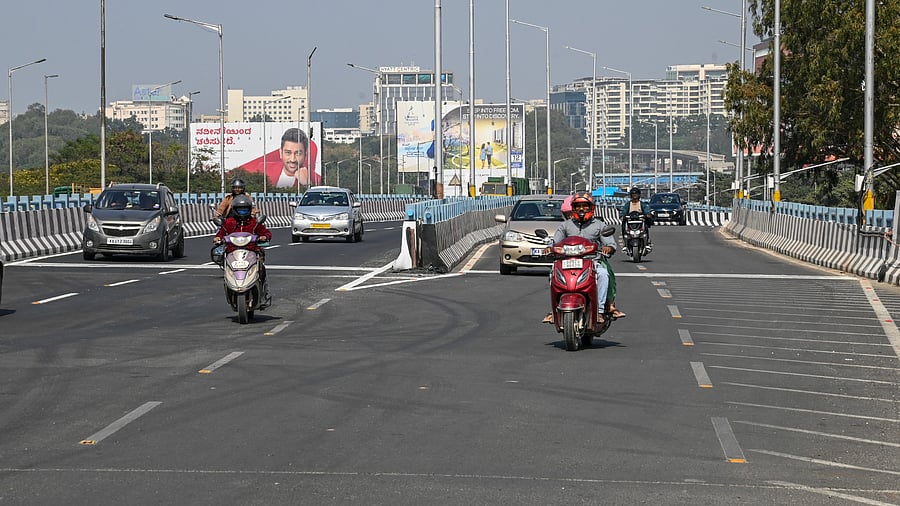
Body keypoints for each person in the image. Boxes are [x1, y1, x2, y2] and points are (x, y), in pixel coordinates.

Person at [543, 191, 625, 324]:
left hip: (592, 261)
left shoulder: (599, 225)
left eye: (585, 206)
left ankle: (600, 310)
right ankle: (555, 310)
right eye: (578, 206)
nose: (581, 209)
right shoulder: (565, 226)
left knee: (603, 274)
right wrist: (549, 248)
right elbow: (555, 242)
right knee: (553, 274)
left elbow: (610, 243)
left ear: (591, 207)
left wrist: (608, 248)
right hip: (567, 262)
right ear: (573, 208)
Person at [214, 194, 273, 307]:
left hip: (252, 251)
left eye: (245, 209)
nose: (242, 212)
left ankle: (263, 292)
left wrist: (264, 237)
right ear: (235, 210)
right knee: (227, 269)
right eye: (240, 209)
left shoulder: (254, 222)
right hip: (232, 252)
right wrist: (218, 238)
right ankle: (229, 287)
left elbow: (266, 232)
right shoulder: (229, 222)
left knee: (261, 268)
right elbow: (221, 233)